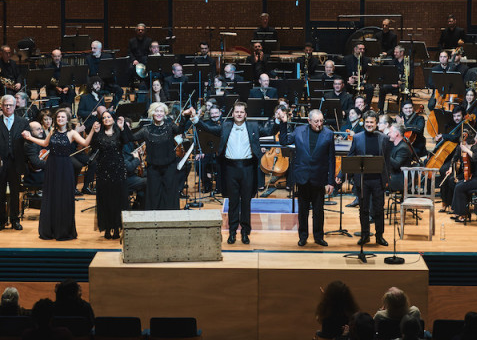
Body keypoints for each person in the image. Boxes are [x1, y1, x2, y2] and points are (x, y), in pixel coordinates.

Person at [190, 102, 274, 244]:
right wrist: (196, 120)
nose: (239, 114)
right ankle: (232, 232)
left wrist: (278, 121)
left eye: (242, 112)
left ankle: (245, 232)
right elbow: (208, 129)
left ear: (245, 114)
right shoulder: (226, 126)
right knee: (233, 201)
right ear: (233, 113)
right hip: (230, 168)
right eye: (237, 112)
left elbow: (268, 131)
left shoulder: (253, 126)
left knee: (246, 202)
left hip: (248, 168)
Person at [22, 108, 94, 241]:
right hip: (52, 165)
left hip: (65, 166)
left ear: (67, 119)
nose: (60, 119)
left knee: (64, 196)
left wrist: (93, 131)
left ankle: (64, 230)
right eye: (58, 117)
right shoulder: (52, 132)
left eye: (62, 117)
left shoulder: (72, 133)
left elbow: (85, 143)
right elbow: (44, 143)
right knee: (51, 196)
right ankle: (50, 229)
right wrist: (29, 137)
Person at [277, 108, 335, 246]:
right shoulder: (299, 131)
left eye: (321, 121)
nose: (319, 124)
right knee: (303, 211)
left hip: (319, 177)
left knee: (318, 211)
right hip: (302, 177)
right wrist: (284, 123)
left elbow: (331, 160)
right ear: (309, 121)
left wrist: (330, 181)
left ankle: (318, 237)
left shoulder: (329, 134)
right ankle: (303, 236)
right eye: (316, 121)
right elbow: (283, 141)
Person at [124, 102, 188, 210]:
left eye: (161, 111)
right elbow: (131, 138)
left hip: (169, 166)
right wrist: (123, 128)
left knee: (169, 191)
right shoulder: (146, 129)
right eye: (156, 111)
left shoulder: (170, 126)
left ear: (165, 114)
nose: (159, 113)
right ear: (152, 113)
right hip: (153, 167)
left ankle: (170, 217)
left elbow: (180, 130)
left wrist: (184, 116)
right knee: (154, 192)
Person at [341, 110, 390, 246]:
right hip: (362, 180)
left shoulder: (384, 138)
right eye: (367, 122)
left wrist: (386, 180)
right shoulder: (357, 138)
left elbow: (387, 161)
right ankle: (365, 235)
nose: (369, 124)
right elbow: (351, 157)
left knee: (379, 209)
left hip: (378, 180)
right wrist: (341, 175)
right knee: (363, 209)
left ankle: (379, 236)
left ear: (376, 123)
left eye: (372, 122)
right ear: (364, 123)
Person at [0, 94, 31, 231]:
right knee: (0, 193)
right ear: (2, 106)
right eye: (6, 105)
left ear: (15, 105)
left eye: (10, 105)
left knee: (15, 193)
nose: (8, 107)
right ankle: (1, 220)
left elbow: (28, 141)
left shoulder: (23, 122)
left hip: (16, 162)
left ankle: (15, 220)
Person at [89, 110, 132, 239]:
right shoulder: (99, 134)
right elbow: (93, 147)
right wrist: (94, 133)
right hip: (103, 170)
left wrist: (122, 127)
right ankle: (107, 228)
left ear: (113, 119)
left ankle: (117, 228)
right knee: (105, 199)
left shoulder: (119, 132)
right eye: (104, 118)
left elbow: (127, 140)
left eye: (109, 117)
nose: (106, 119)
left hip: (118, 170)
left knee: (118, 199)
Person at [451, 142, 477, 223]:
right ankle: (459, 213)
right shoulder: (472, 150)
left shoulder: (476, 149)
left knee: (460, 187)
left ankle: (462, 215)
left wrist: (466, 149)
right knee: (459, 184)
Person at [386, 124, 415, 192]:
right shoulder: (395, 145)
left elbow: (396, 165)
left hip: (399, 180)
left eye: (390, 132)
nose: (388, 134)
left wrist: (385, 154)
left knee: (375, 183)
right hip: (393, 176)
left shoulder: (403, 148)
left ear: (396, 134)